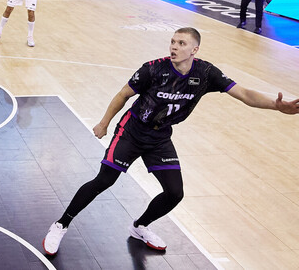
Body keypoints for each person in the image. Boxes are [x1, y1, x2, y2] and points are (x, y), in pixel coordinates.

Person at [42, 27, 299, 256]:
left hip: (160, 137)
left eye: (181, 43)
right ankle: (61, 224)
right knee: (105, 180)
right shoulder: (153, 69)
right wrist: (104, 122)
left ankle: (139, 226)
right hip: (132, 131)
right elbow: (123, 94)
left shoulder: (206, 73)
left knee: (175, 193)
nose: (174, 47)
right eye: (173, 42)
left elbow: (244, 93)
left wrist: (276, 106)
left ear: (194, 49)